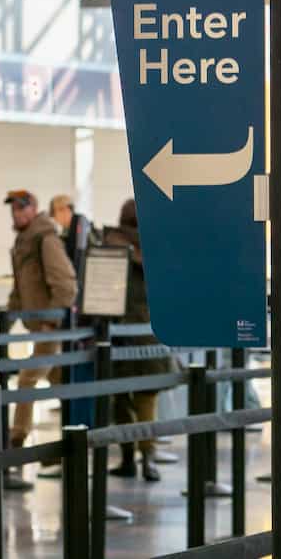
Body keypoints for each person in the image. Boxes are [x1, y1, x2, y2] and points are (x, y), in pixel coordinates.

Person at [3, 189, 77, 488]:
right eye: (13, 209)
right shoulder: (24, 240)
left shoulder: (45, 238)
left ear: (33, 208)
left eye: (22, 208)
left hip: (49, 328)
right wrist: (7, 318)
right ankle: (72, 443)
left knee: (26, 380)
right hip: (37, 325)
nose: (16, 214)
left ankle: (15, 445)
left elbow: (66, 283)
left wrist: (51, 321)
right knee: (61, 382)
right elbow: (20, 287)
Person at [103, 199, 174, 483]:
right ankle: (149, 459)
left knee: (121, 400)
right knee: (147, 401)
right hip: (150, 333)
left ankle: (127, 457)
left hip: (119, 333)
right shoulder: (158, 250)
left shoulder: (110, 246)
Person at [49, 194, 97, 281]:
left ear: (65, 210)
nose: (54, 219)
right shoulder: (67, 230)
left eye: (54, 214)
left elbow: (79, 259)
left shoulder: (80, 225)